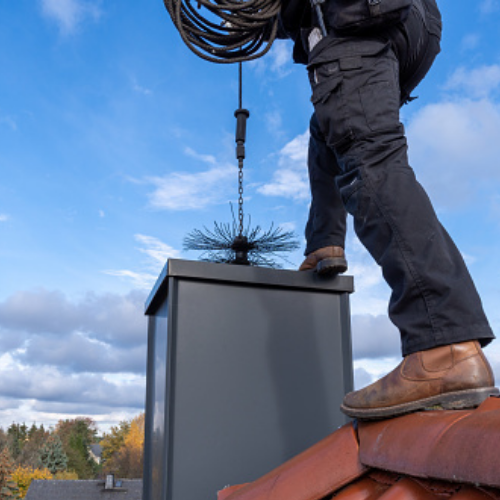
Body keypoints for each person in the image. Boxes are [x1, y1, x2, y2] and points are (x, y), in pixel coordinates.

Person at [279, 0, 499, 419]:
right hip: (412, 22)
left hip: (351, 16)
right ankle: (325, 241)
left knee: (369, 158)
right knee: (329, 125)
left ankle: (444, 346)